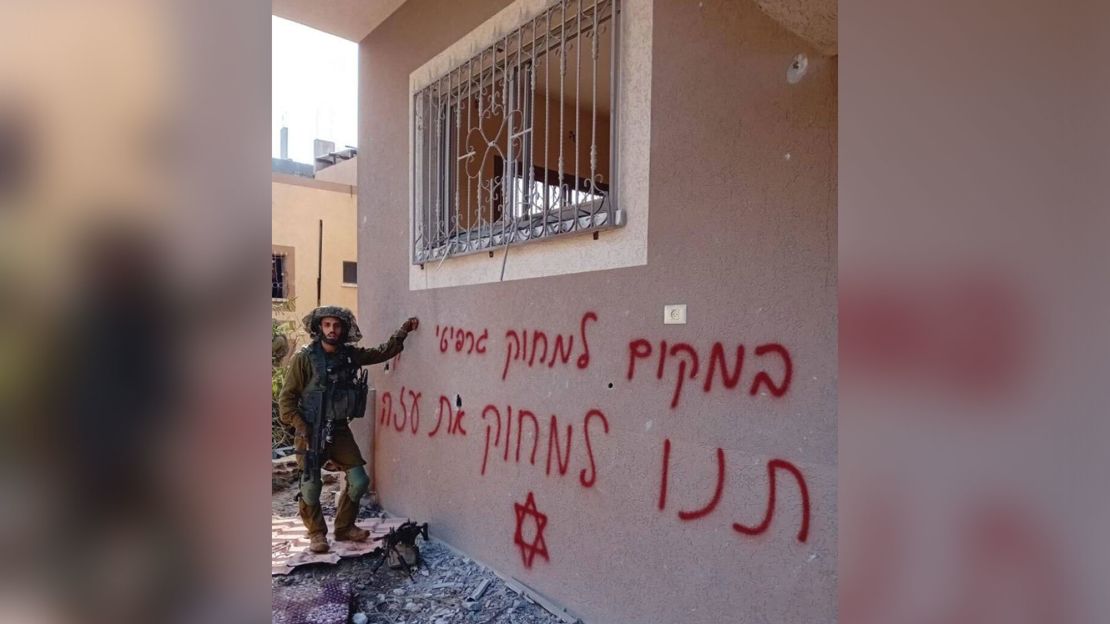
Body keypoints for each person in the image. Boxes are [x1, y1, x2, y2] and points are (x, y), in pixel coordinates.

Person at [278, 306, 419, 553]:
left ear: (343, 329)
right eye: (327, 325)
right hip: (310, 429)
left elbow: (381, 353)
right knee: (310, 486)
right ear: (319, 328)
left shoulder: (348, 356)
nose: (332, 330)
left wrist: (403, 332)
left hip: (339, 430)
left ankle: (344, 528)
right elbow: (286, 400)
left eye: (337, 325)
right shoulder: (304, 359)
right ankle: (316, 534)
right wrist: (302, 427)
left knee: (359, 480)